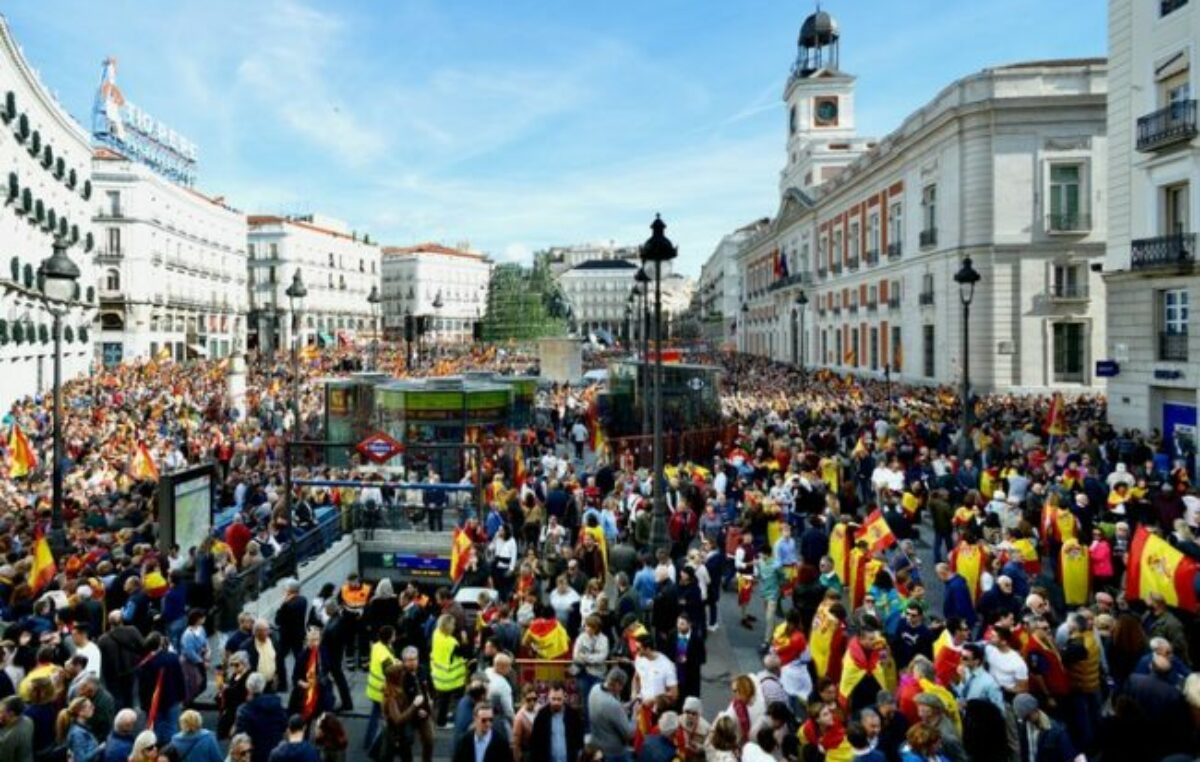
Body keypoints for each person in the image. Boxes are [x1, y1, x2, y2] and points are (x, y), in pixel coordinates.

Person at [235, 673, 288, 762]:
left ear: (248, 688)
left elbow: (240, 737)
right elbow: (284, 727)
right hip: (275, 754)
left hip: (255, 756)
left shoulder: (244, 710)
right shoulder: (277, 705)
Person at [1012, 693, 1078, 762]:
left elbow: (1069, 757)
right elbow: (1024, 753)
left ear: (1035, 710)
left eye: (1027, 717)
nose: (1027, 721)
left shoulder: (1057, 731)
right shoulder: (1024, 727)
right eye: (1024, 719)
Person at [431, 615, 470, 730]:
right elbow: (464, 652)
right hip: (448, 678)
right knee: (445, 700)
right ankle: (441, 722)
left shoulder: (436, 634)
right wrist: (464, 639)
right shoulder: (451, 643)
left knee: (442, 699)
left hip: (438, 674)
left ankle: (441, 717)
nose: (454, 626)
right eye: (452, 624)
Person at [588, 669, 633, 762]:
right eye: (621, 686)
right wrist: (635, 717)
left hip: (597, 748)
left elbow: (606, 713)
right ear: (616, 684)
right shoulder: (612, 705)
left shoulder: (594, 689)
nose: (621, 689)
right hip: (614, 753)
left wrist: (621, 709)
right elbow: (628, 734)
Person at [365, 625, 397, 751]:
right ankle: (379, 745)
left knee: (375, 715)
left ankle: (369, 741)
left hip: (374, 688)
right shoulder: (385, 655)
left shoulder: (377, 646)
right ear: (389, 638)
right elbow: (390, 673)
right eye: (393, 635)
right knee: (390, 718)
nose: (395, 636)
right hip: (382, 690)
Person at [529, 685, 582, 762]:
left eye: (559, 699)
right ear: (548, 698)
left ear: (564, 697)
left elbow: (579, 742)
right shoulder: (542, 716)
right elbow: (535, 743)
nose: (556, 702)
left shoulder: (573, 716)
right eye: (553, 699)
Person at [56, 697, 100, 762]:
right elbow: (80, 760)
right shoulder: (77, 733)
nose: (93, 708)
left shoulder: (83, 728)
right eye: (90, 706)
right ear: (80, 712)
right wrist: (100, 749)